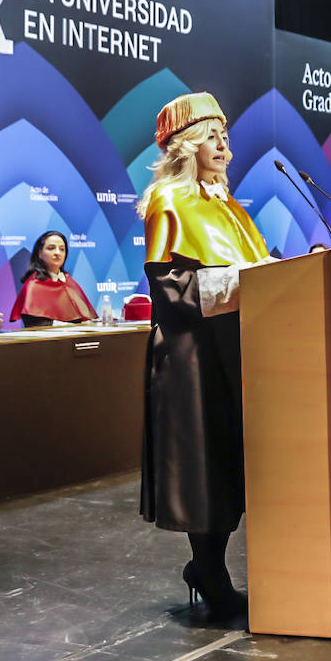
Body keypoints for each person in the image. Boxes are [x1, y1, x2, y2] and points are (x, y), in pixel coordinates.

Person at [138, 91, 272, 620]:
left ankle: (209, 569)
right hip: (191, 356)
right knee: (206, 466)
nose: (224, 146)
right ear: (186, 143)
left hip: (236, 349)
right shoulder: (168, 200)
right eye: (212, 136)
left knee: (232, 462)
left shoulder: (229, 204)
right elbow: (168, 287)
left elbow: (258, 268)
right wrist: (244, 282)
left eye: (225, 136)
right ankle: (209, 570)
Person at [8, 230, 97, 327]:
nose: (58, 253)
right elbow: (37, 324)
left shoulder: (68, 281)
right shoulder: (34, 284)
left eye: (62, 249)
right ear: (40, 253)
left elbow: (85, 317)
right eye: (51, 248)